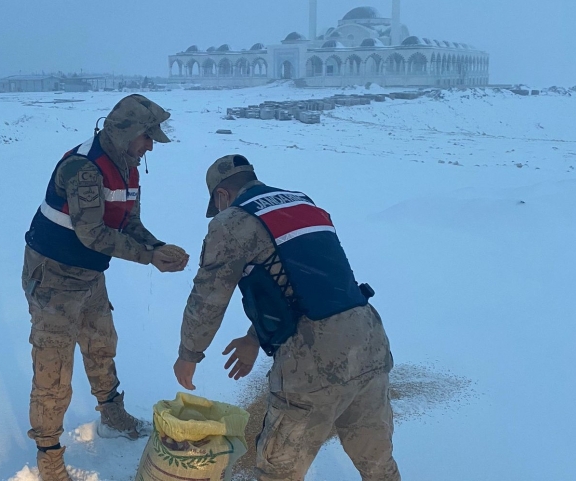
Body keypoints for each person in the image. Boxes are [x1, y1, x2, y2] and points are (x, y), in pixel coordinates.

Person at [173, 155, 400, 481]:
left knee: (278, 470)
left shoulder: (231, 223)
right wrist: (254, 338)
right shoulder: (302, 202)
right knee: (377, 462)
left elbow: (208, 299)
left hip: (314, 362)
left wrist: (188, 354)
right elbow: (305, 284)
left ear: (221, 195)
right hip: (370, 341)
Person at [22, 94, 189, 481]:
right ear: (126, 132)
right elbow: (93, 234)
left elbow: (128, 224)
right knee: (53, 369)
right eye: (148, 137)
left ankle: (112, 414)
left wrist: (157, 246)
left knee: (101, 343)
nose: (151, 146)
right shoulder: (85, 168)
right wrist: (150, 258)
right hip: (54, 277)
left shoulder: (128, 167)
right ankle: (49, 456)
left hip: (89, 274)